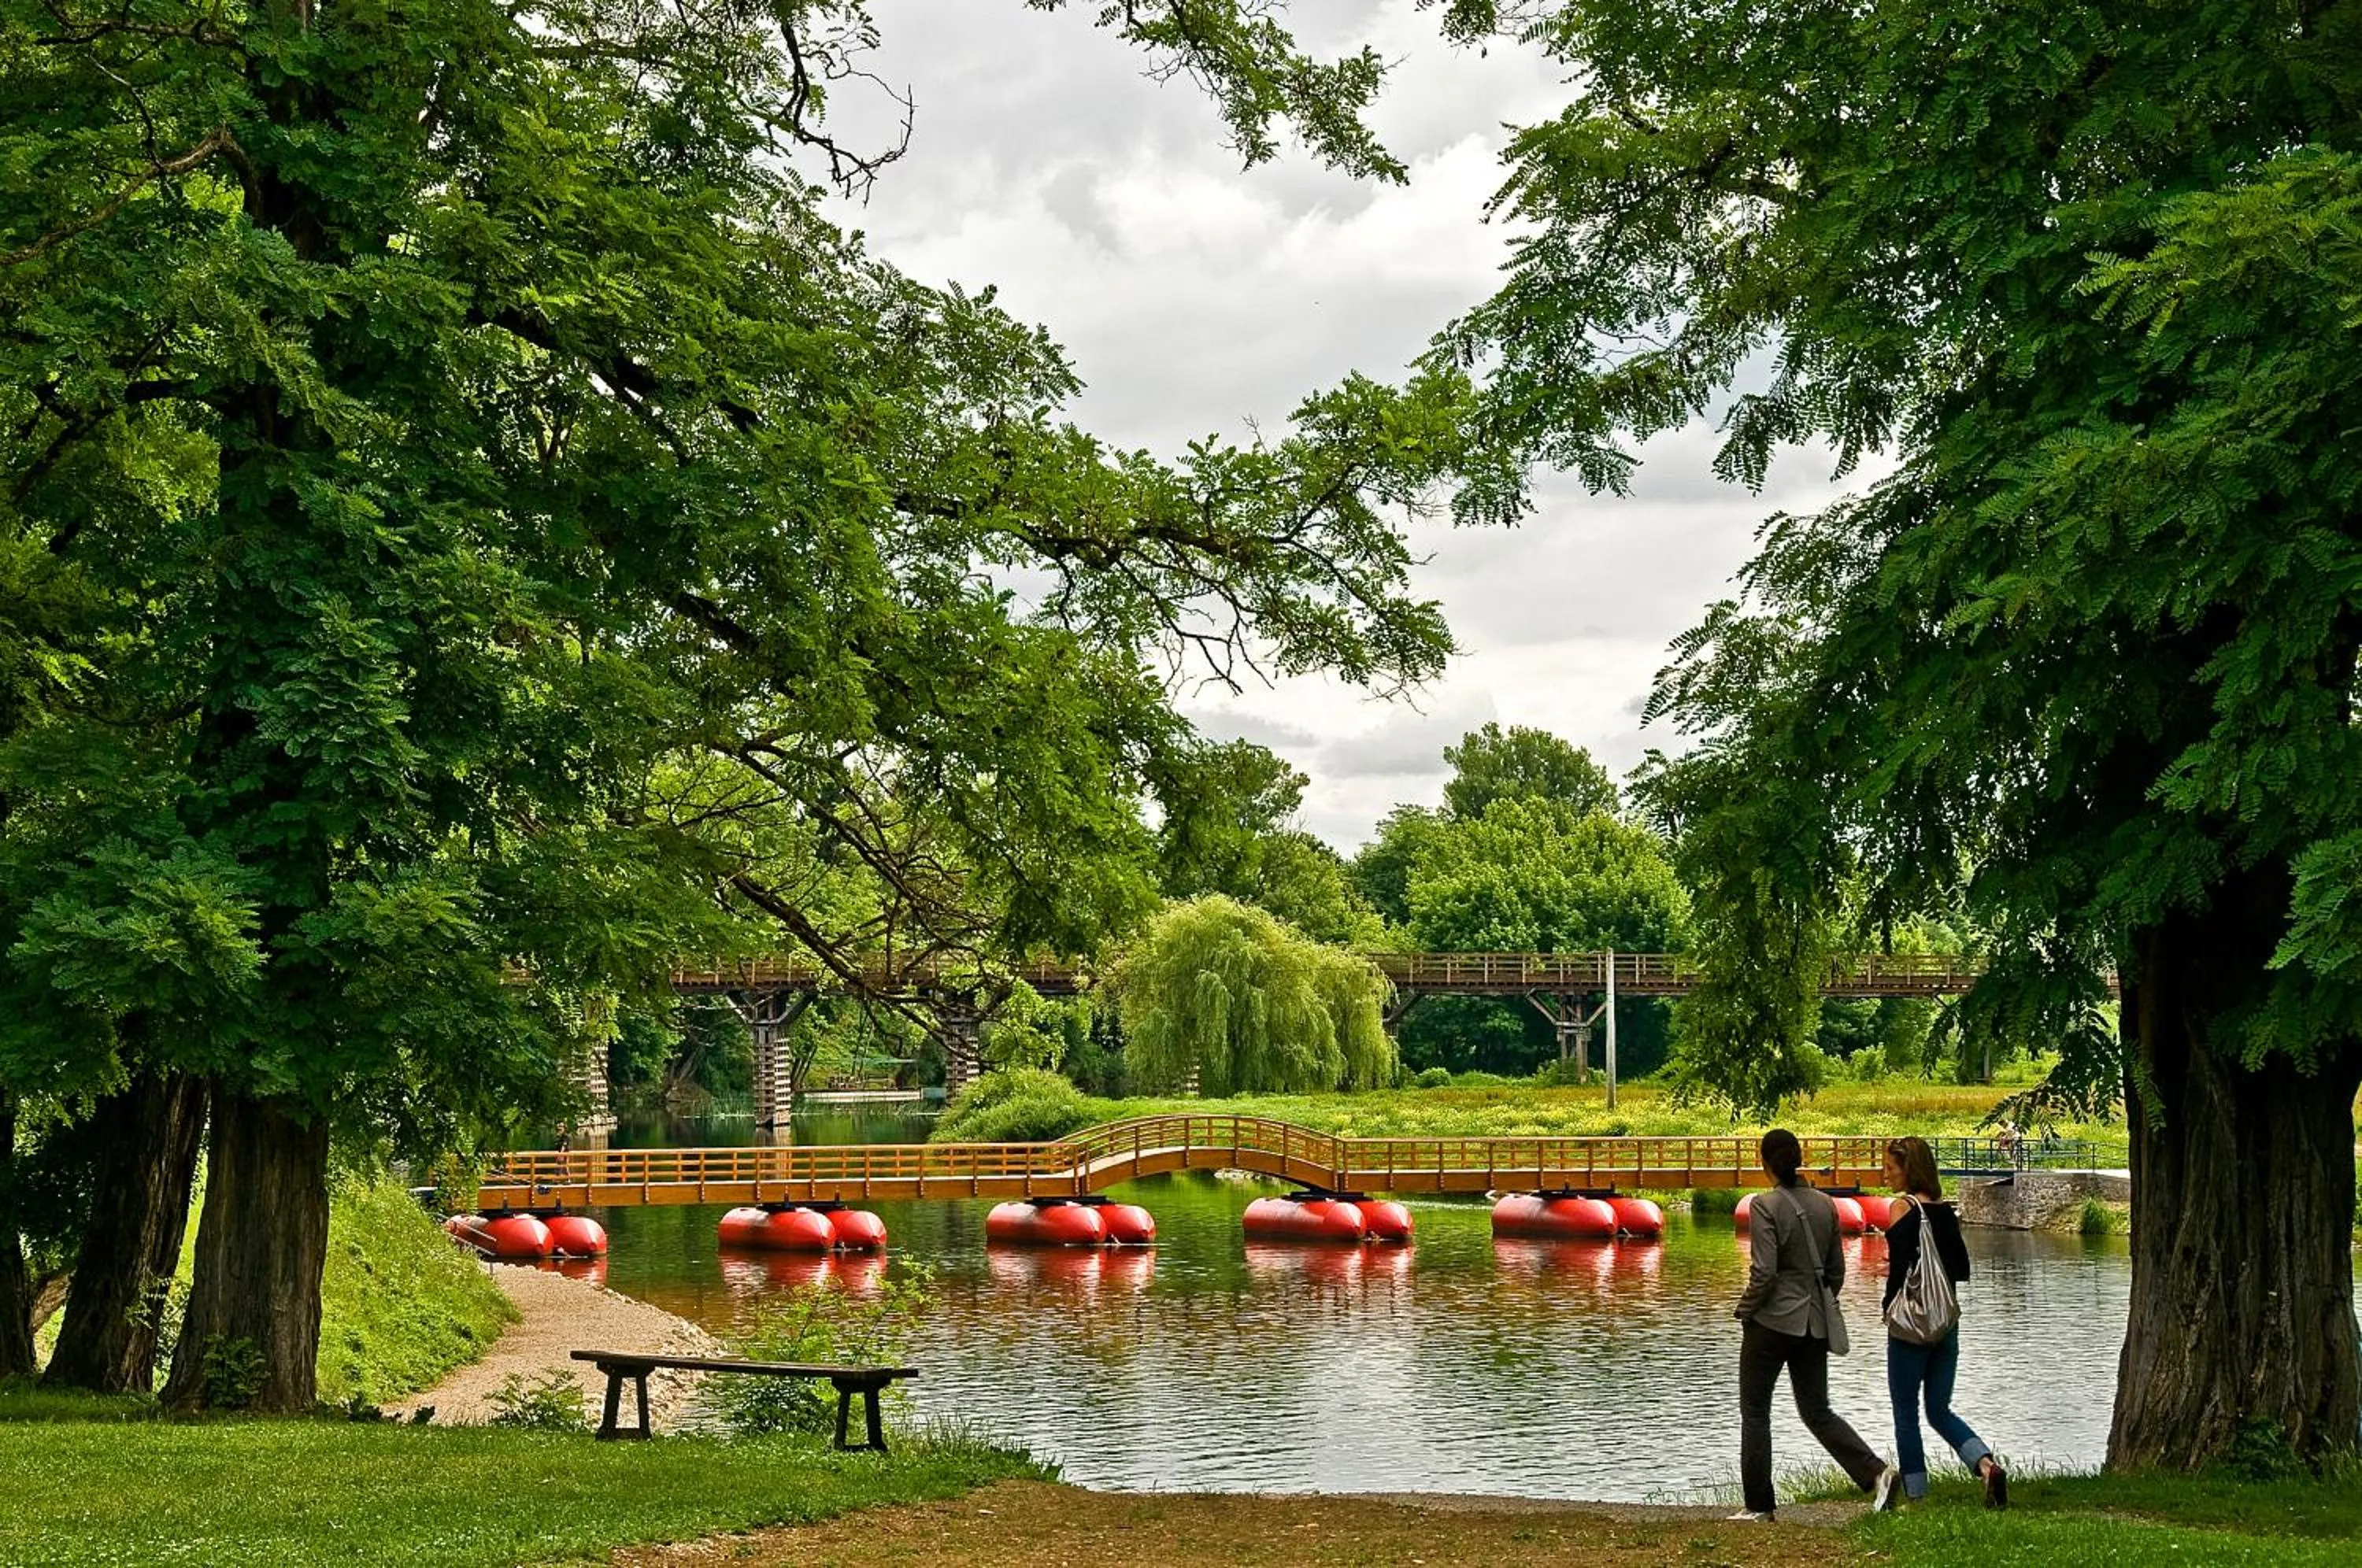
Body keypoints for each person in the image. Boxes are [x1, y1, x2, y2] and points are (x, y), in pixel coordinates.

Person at [1731, 1128, 1898, 1522]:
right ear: (1798, 1159)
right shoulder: (1826, 1204)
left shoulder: (1764, 1205)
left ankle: (1759, 1506)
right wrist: (1816, 1304)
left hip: (1771, 1323)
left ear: (1765, 1163)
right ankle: (1876, 1473)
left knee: (1755, 1412)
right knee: (1817, 1410)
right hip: (1813, 1325)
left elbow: (1764, 1272)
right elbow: (1836, 1272)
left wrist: (1745, 1309)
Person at [1882, 1136, 2008, 1509]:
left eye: (1891, 1168)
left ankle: (1917, 1496)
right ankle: (1986, 1466)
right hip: (1946, 1324)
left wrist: (1888, 1309)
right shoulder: (1945, 1211)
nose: (1886, 1175)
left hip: (1911, 1326)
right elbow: (1961, 1269)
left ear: (1909, 1170)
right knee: (1939, 1410)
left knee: (1906, 1413)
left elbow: (1898, 1273)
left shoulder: (1902, 1209)